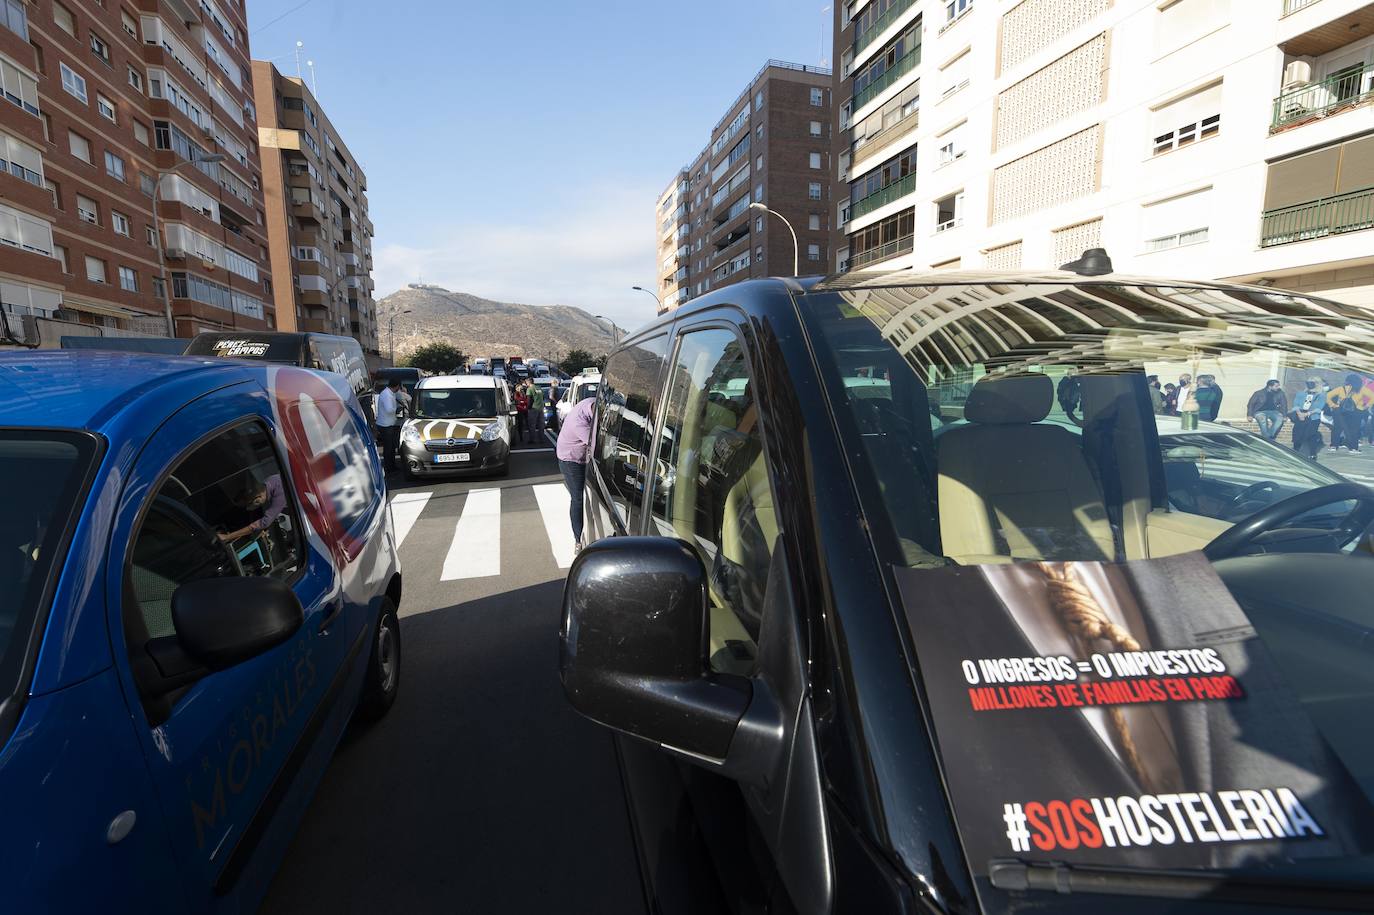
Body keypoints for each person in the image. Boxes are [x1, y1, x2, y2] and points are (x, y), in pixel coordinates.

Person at [556, 395, 596, 551]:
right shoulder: (579, 423)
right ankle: (578, 539)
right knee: (577, 498)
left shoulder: (591, 402)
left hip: (581, 454)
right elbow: (595, 446)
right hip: (570, 459)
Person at [218, 474, 286, 542]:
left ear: (258, 499)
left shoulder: (281, 494)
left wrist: (227, 537)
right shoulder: (270, 482)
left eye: (249, 504)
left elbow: (264, 523)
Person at [1329, 373, 1368, 454]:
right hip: (1356, 411)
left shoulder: (1341, 388)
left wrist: (1333, 405)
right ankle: (1353, 448)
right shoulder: (1361, 389)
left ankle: (1333, 446)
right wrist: (1365, 407)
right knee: (1353, 430)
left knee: (1337, 428)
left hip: (1340, 411)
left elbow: (1328, 396)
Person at [1290, 378, 1324, 459]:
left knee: (1311, 435)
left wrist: (1306, 414)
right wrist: (1299, 414)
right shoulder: (1300, 394)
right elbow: (1296, 404)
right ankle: (1295, 450)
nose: (1310, 384)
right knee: (1297, 433)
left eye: (1312, 383)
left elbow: (1319, 408)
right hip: (1300, 415)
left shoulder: (1321, 395)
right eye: (1308, 383)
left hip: (1313, 416)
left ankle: (1312, 453)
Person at [376, 379, 401, 473]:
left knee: (391, 447)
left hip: (388, 424)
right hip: (386, 425)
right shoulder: (387, 395)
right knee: (388, 448)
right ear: (397, 386)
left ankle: (392, 466)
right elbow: (389, 409)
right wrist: (396, 409)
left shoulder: (389, 393)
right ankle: (389, 468)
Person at [527, 380, 546, 445]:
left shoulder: (530, 389)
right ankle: (542, 439)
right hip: (541, 408)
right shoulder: (539, 388)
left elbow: (529, 399)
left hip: (533, 408)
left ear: (528, 382)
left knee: (532, 424)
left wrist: (528, 407)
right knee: (541, 424)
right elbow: (543, 397)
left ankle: (532, 439)